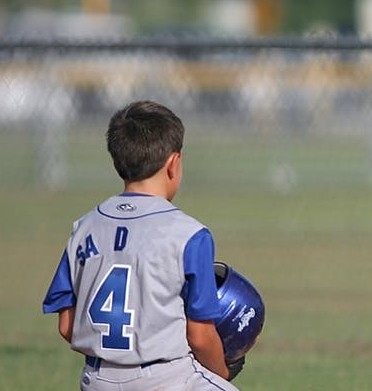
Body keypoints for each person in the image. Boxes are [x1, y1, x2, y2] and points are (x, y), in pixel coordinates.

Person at [43, 100, 241, 391]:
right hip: (165, 378)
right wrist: (220, 371)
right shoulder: (189, 234)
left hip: (96, 379)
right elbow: (199, 336)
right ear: (174, 164)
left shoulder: (84, 228)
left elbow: (66, 325)